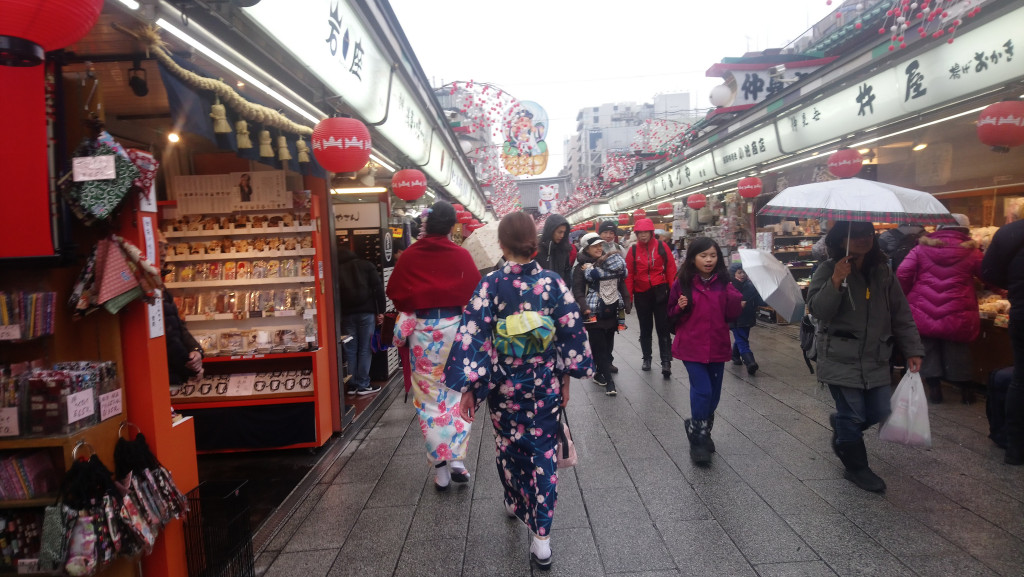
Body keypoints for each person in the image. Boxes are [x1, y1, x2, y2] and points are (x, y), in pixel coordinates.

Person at [444, 212, 593, 570]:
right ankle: (542, 538)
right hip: (543, 382)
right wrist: (566, 378)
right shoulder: (553, 284)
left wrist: (469, 389)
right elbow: (571, 334)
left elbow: (474, 336)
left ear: (501, 245)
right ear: (534, 243)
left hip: (504, 384)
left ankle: (514, 499)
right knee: (542, 451)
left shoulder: (490, 285)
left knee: (508, 444)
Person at [807, 221, 923, 492]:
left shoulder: (882, 272)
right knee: (853, 414)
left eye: (868, 234)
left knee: (881, 410)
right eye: (856, 235)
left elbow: (901, 313)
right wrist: (836, 279)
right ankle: (857, 467)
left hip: (876, 355)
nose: (863, 239)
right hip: (839, 355)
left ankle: (843, 430)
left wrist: (913, 349)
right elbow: (819, 311)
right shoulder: (827, 269)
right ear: (840, 239)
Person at [388, 201, 482, 491]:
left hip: (423, 339)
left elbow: (397, 294)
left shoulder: (411, 256)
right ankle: (458, 463)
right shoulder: (461, 255)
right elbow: (474, 297)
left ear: (426, 224)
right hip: (455, 335)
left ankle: (441, 471)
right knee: (457, 397)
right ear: (452, 225)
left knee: (429, 403)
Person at [667, 237, 742, 465]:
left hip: (717, 345)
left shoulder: (725, 282)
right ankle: (698, 440)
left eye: (713, 255)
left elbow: (730, 317)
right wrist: (678, 307)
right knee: (703, 390)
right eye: (703, 255)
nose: (708, 260)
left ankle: (700, 427)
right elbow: (669, 316)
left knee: (715, 394)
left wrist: (735, 300)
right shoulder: (683, 282)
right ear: (693, 258)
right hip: (692, 346)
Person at [897, 214, 983, 404]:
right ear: (965, 230)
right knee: (959, 349)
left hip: (923, 308)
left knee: (927, 348)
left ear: (939, 228)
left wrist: (906, 295)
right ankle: (966, 392)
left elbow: (903, 272)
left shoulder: (921, 248)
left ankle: (935, 390)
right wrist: (1003, 289)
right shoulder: (973, 252)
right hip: (959, 309)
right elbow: (988, 274)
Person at [980, 216, 1024, 466]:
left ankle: (1015, 448)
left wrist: (1016, 287)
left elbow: (989, 272)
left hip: (1021, 313)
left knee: (1020, 379)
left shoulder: (1011, 232)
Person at [572, 232, 627, 396]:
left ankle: (599, 370)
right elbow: (578, 289)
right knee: (598, 344)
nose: (599, 248)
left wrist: (626, 300)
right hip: (592, 310)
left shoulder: (608, 262)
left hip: (610, 308)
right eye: (595, 245)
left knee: (608, 342)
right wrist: (584, 306)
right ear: (586, 248)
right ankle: (609, 382)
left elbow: (620, 281)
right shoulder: (580, 267)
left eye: (600, 245)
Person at [625, 217, 677, 377]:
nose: (643, 236)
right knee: (645, 328)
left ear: (651, 232)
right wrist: (629, 298)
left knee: (663, 328)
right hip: (642, 294)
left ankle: (666, 361)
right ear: (636, 234)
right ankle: (646, 358)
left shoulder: (662, 247)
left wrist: (673, 292)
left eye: (646, 232)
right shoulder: (632, 251)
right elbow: (629, 275)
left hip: (660, 292)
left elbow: (671, 269)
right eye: (639, 233)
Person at [336, 247, 386, 396]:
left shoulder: (337, 270)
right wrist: (380, 311)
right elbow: (378, 289)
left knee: (350, 349)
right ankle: (363, 384)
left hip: (347, 315)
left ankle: (351, 385)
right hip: (366, 313)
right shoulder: (366, 266)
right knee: (365, 348)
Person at [158, 232, 204, 385]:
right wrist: (191, 367)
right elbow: (169, 338)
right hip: (160, 375)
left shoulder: (160, 287)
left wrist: (197, 351)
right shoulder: (147, 288)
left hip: (169, 374)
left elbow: (178, 326)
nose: (164, 252)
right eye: (158, 246)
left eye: (165, 247)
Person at [728, 262, 764, 376]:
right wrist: (737, 305)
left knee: (742, 339)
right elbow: (725, 303)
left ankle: (734, 355)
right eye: (739, 272)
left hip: (748, 318)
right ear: (734, 274)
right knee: (743, 341)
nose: (742, 274)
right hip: (736, 319)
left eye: (744, 272)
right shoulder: (729, 287)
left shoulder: (751, 286)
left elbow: (759, 301)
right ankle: (750, 362)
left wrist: (763, 296)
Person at [598, 220, 630, 333]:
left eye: (611, 233)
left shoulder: (619, 248)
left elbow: (626, 269)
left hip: (614, 293)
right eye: (605, 232)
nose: (608, 236)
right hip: (597, 293)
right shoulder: (592, 247)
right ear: (600, 233)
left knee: (611, 326)